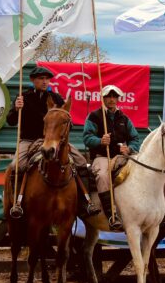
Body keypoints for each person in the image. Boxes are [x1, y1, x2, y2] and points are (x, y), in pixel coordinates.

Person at [6, 65, 100, 218]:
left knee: (81, 162)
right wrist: (16, 109)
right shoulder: (23, 97)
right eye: (41, 79)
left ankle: (84, 202)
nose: (44, 82)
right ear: (33, 80)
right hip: (29, 140)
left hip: (54, 140)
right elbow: (10, 121)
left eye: (47, 79)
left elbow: (67, 121)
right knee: (17, 165)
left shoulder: (56, 98)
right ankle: (17, 203)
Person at [82, 84, 141, 230]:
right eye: (108, 96)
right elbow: (87, 138)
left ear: (118, 99)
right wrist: (100, 141)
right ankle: (112, 216)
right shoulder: (94, 116)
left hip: (122, 157)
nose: (112, 99)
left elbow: (135, 139)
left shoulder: (124, 118)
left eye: (115, 97)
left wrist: (129, 148)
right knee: (102, 176)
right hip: (102, 157)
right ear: (103, 98)